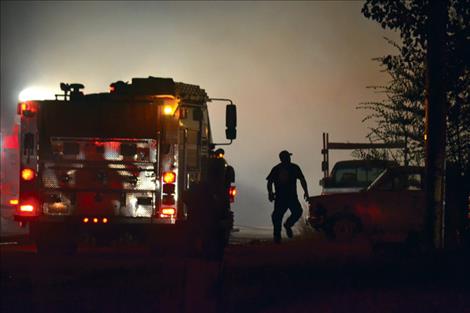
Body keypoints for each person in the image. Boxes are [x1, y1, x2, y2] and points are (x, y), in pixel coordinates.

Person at [267, 150, 309, 243]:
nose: (290, 158)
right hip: (289, 197)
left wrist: (270, 193)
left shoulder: (277, 168)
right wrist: (306, 192)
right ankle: (284, 229)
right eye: (288, 157)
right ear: (285, 158)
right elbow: (302, 180)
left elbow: (269, 182)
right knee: (294, 212)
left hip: (283, 197)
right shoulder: (294, 167)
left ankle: (279, 234)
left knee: (278, 216)